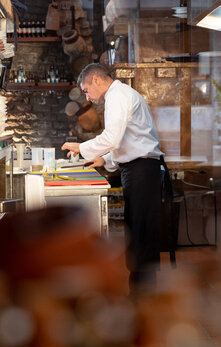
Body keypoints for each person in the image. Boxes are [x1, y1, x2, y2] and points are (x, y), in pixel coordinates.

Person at [61, 63, 168, 292]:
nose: (88, 96)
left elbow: (112, 138)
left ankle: (145, 296)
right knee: (138, 233)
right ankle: (141, 292)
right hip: (137, 169)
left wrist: (82, 147)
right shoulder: (118, 95)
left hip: (143, 171)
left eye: (87, 90)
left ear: (97, 80)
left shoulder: (117, 96)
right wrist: (106, 160)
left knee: (142, 234)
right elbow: (128, 142)